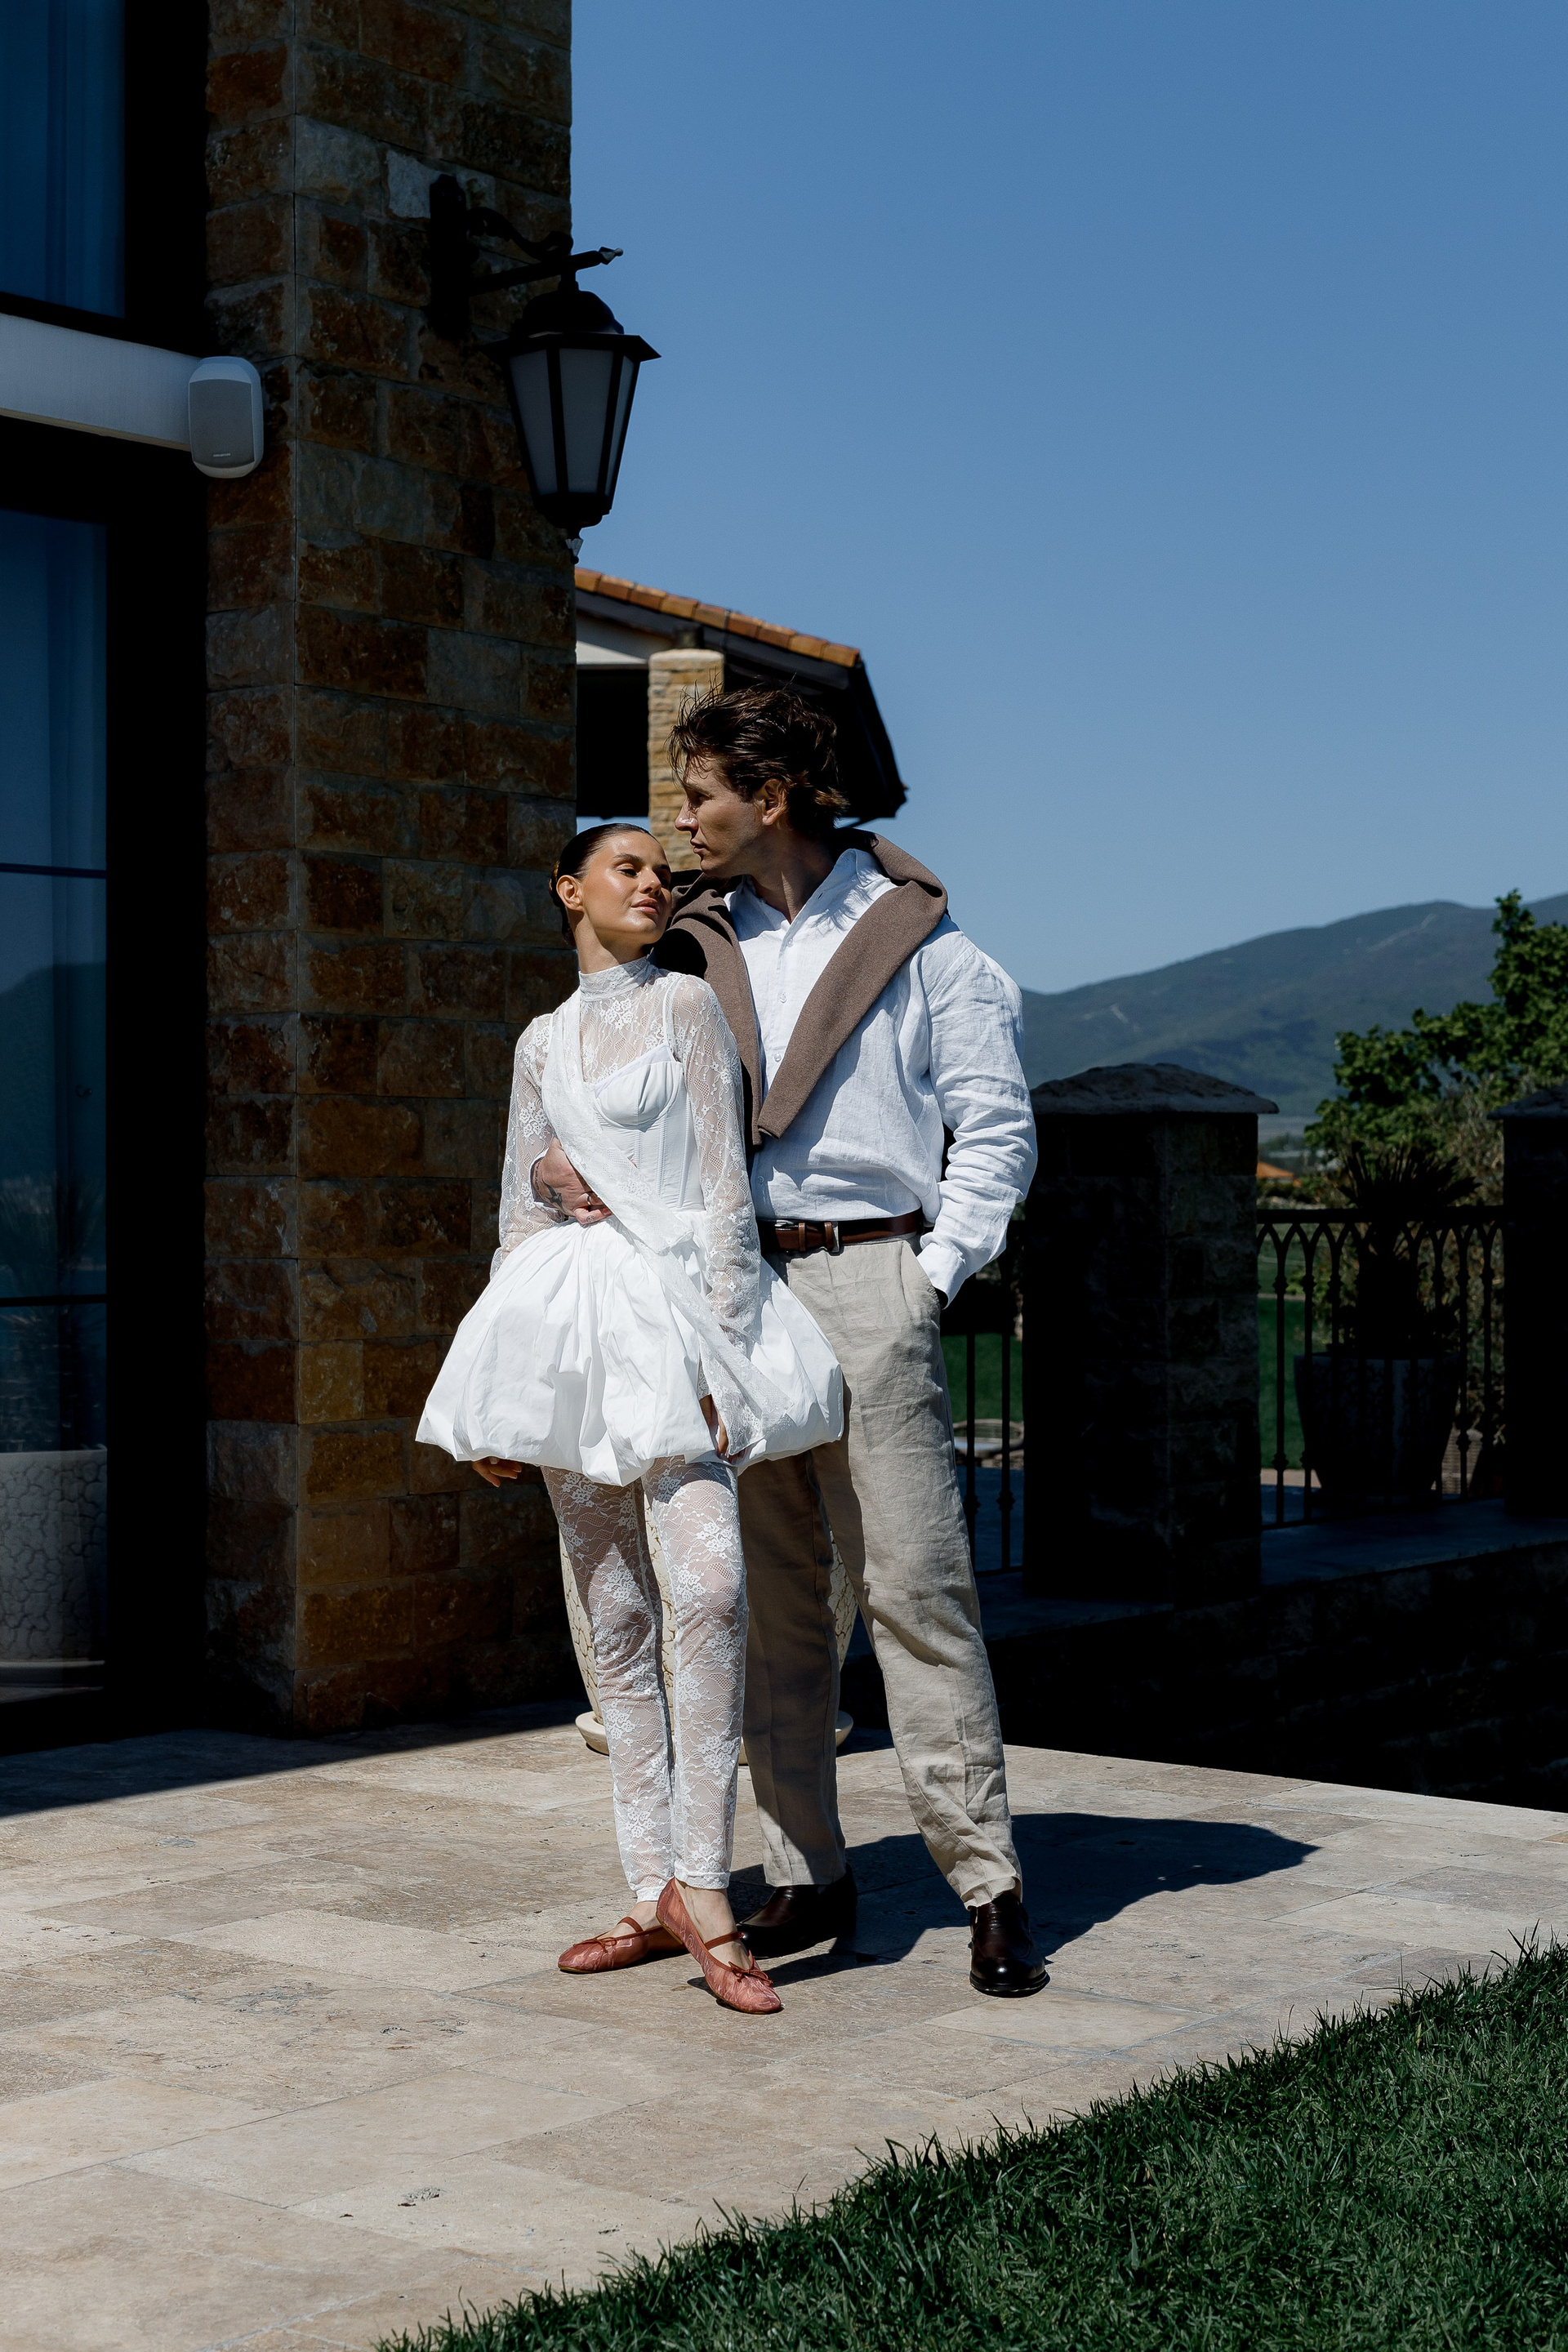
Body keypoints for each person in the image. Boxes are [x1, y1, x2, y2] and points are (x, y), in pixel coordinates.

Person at [531, 688, 1047, 1997]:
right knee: (771, 1607)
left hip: (872, 1277)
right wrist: (558, 1163)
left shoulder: (925, 947)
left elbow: (995, 1130)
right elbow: (611, 1080)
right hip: (727, 1289)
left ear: (769, 800)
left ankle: (986, 1884)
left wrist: (928, 1277)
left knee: (915, 1589)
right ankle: (808, 1873)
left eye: (700, 793)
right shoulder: (695, 948)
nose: (681, 819)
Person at [418, 823, 841, 2016]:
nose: (655, 883)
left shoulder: (687, 1009)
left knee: (709, 1592)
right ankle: (650, 1887)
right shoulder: (540, 1041)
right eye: (627, 869)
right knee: (612, 1615)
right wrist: (504, 1394)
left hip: (677, 1331)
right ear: (570, 891)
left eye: (663, 870)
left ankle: (706, 1881)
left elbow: (721, 1195)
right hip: (574, 1337)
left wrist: (722, 1358)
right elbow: (519, 1217)